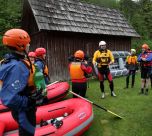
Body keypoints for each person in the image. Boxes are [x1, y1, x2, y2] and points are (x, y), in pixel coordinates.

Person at [0, 29, 39, 135]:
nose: (29, 44)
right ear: (20, 45)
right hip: (24, 111)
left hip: (22, 108)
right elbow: (9, 98)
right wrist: (29, 101)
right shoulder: (17, 67)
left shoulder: (11, 61)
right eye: (27, 43)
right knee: (27, 132)